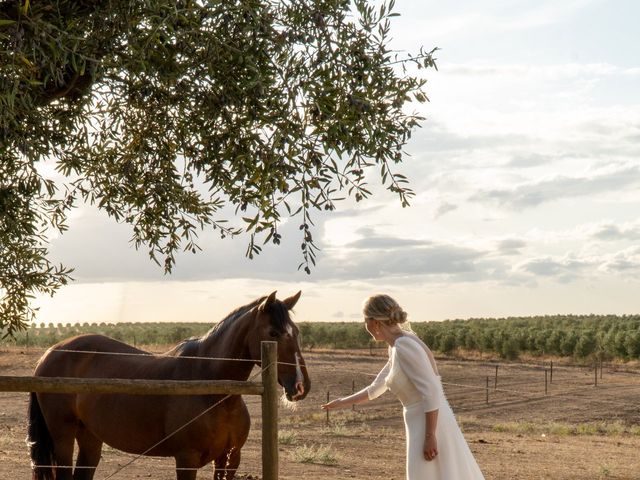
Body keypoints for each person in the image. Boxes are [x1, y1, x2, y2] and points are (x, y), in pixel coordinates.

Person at [321, 294, 485, 480]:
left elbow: (430, 391)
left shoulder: (404, 345)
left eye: (365, 320)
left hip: (429, 424)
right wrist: (340, 402)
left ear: (374, 322)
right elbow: (376, 388)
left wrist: (430, 436)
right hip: (422, 422)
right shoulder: (398, 345)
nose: (365, 325)